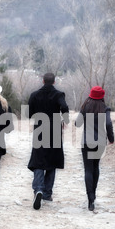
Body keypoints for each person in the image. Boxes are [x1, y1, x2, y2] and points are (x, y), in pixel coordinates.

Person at [27, 72, 70, 210]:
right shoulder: (59, 94)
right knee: (53, 159)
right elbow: (64, 108)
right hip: (55, 130)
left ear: (43, 81)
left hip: (40, 128)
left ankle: (38, 189)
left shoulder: (34, 95)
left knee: (38, 160)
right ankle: (47, 193)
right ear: (54, 82)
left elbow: (29, 113)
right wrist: (64, 120)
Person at [75, 86, 114, 211]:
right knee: (96, 167)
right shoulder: (105, 109)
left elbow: (77, 123)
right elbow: (108, 123)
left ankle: (90, 198)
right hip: (100, 143)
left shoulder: (85, 107)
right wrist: (111, 138)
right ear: (102, 96)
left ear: (90, 95)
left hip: (87, 142)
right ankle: (93, 196)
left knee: (88, 169)